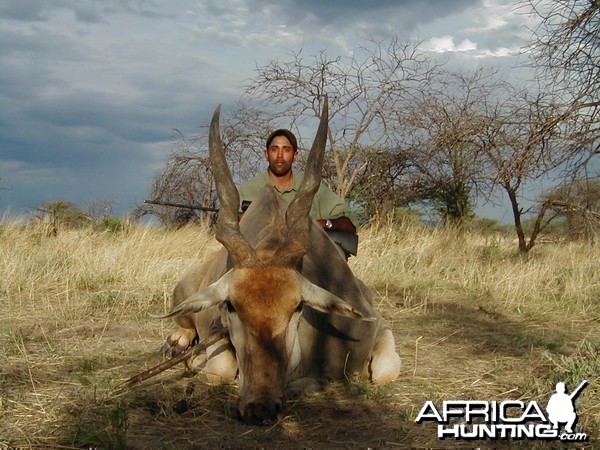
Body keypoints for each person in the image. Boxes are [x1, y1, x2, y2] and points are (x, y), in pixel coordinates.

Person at [238, 128, 358, 255]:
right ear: (266, 154)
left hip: (309, 260)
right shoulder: (248, 190)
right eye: (274, 149)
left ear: (295, 155)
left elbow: (350, 223)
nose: (279, 155)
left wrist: (320, 225)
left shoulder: (312, 187)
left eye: (286, 149)